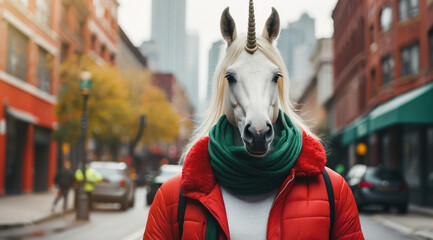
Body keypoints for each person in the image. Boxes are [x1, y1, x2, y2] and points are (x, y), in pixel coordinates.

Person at [144, 3, 363, 240]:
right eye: (233, 79)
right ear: (224, 87)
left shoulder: (334, 192)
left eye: (273, 78)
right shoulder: (173, 197)